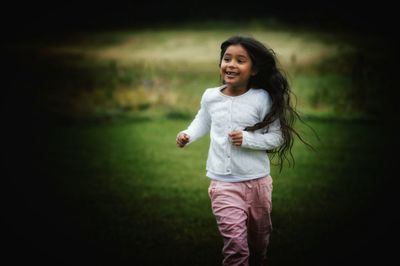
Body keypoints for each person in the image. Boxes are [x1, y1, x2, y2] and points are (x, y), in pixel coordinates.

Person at [176, 35, 310, 266]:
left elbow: (277, 137)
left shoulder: (262, 99)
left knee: (258, 247)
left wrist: (248, 139)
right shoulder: (210, 96)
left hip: (258, 183)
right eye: (227, 59)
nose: (231, 64)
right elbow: (203, 121)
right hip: (223, 183)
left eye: (240, 60)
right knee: (236, 249)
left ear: (254, 69)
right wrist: (188, 134)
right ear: (220, 64)